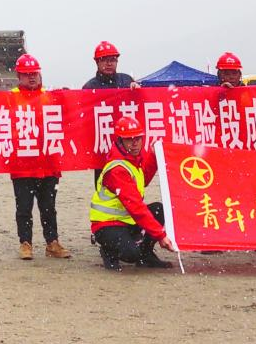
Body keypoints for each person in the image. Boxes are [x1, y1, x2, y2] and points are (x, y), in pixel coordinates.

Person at [90, 115, 176, 271]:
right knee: (131, 253)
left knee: (158, 209)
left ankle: (146, 255)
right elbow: (136, 206)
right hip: (106, 225)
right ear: (120, 141)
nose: (135, 143)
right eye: (130, 139)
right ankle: (108, 250)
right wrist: (160, 235)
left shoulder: (133, 160)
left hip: (126, 221)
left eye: (138, 138)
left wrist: (155, 155)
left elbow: (142, 180)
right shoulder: (117, 169)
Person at [9, 54, 71, 260]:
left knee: (48, 207)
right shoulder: (11, 97)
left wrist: (69, 97)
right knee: (24, 207)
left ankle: (52, 242)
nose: (32, 77)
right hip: (23, 164)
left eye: (35, 73)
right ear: (19, 75)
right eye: (27, 74)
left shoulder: (50, 95)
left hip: (47, 163)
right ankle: (25, 243)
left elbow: (68, 117)